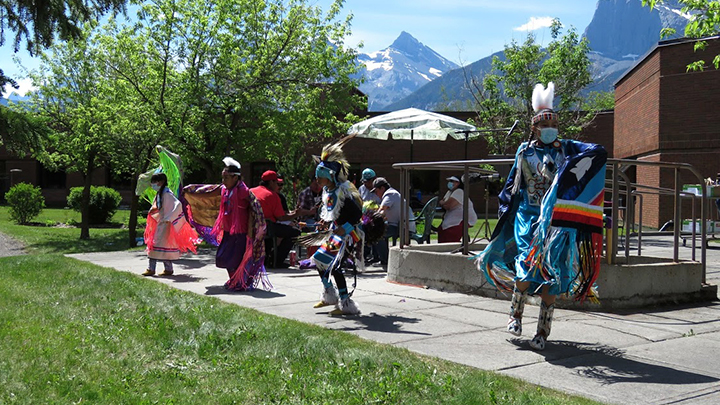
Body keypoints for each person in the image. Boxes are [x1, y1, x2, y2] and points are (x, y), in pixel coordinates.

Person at [475, 82, 607, 351]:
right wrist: (505, 213)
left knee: (552, 275)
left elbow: (598, 151)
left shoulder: (566, 149)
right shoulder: (524, 151)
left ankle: (542, 333)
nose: (551, 130)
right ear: (534, 128)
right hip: (527, 217)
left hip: (555, 223)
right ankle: (515, 315)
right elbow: (512, 185)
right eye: (545, 126)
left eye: (554, 126)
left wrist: (573, 164)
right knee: (526, 265)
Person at [310, 139, 364, 315]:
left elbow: (357, 215)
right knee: (320, 260)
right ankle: (329, 295)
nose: (317, 180)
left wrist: (345, 228)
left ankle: (346, 304)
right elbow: (331, 212)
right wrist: (325, 222)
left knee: (334, 266)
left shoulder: (344, 192)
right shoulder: (329, 191)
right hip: (336, 233)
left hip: (349, 235)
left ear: (331, 174)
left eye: (320, 176)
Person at [210, 157, 270, 290]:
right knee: (223, 257)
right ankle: (234, 279)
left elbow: (255, 209)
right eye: (223, 177)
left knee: (237, 259)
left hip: (241, 232)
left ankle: (240, 282)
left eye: (226, 177)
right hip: (228, 230)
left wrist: (255, 231)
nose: (223, 181)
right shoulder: (225, 190)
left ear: (235, 178)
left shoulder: (243, 192)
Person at [143, 172, 199, 276]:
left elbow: (177, 205)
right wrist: (154, 210)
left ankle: (159, 269)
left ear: (161, 182)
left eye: (155, 182)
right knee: (158, 245)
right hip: (162, 223)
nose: (153, 184)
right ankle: (160, 268)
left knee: (160, 246)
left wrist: (169, 218)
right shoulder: (161, 193)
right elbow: (159, 207)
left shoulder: (167, 194)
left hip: (166, 224)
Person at [250, 170, 301, 268]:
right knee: (295, 232)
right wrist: (296, 214)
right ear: (271, 182)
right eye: (276, 183)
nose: (277, 185)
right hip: (266, 227)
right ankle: (276, 261)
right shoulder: (272, 195)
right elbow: (281, 218)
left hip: (251, 225)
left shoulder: (251, 191)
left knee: (274, 231)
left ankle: (266, 260)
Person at [372, 177, 415, 266]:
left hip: (403, 227)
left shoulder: (390, 194)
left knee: (377, 234)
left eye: (376, 191)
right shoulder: (392, 194)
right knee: (381, 231)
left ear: (382, 188)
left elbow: (381, 211)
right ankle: (383, 257)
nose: (376, 194)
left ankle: (385, 260)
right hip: (400, 225)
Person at [438, 175, 477, 243]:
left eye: (452, 181)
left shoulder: (459, 191)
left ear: (458, 183)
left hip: (463, 218)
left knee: (450, 229)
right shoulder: (449, 192)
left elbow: (449, 205)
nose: (450, 183)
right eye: (450, 181)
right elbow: (445, 204)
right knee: (442, 229)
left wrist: (443, 203)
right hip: (451, 216)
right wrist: (444, 203)